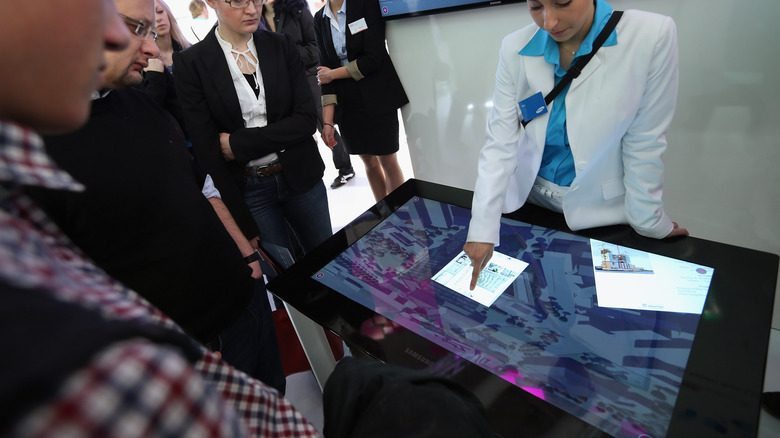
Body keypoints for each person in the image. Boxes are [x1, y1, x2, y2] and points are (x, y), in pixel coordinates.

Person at [0, 0, 320, 435]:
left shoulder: (138, 102)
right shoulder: (23, 157)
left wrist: (246, 257)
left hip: (240, 303)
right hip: (180, 342)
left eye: (151, 30)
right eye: (136, 29)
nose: (152, 48)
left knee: (269, 394)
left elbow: (200, 185)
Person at [464, 0, 689, 289]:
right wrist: (482, 228)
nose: (549, 22)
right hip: (528, 201)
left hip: (600, 213)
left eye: (562, 2)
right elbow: (500, 142)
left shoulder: (650, 35)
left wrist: (649, 221)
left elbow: (645, 139)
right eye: (535, 6)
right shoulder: (514, 46)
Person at [174, 0, 333, 266]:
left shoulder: (280, 45)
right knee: (285, 276)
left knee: (330, 261)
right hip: (249, 189)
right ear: (211, 2)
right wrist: (238, 220)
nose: (251, 9)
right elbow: (207, 150)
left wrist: (236, 143)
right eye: (237, 1)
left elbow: (305, 121)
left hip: (301, 174)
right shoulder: (192, 63)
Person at [314, 0, 408, 202]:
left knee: (388, 160)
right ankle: (384, 216)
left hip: (377, 94)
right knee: (369, 163)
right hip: (347, 104)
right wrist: (328, 123)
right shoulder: (319, 19)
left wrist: (333, 75)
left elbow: (374, 58)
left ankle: (403, 218)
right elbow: (324, 75)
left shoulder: (366, 4)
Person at [260, 0, 356, 189]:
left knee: (325, 123)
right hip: (282, 81)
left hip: (309, 75)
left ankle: (345, 168)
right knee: (296, 127)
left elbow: (314, 48)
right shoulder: (257, 17)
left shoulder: (297, 9)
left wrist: (285, 53)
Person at [141, 0, 191, 130]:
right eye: (152, 14)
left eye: (160, 11)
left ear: (168, 14)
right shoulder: (142, 64)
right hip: (173, 137)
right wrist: (155, 76)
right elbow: (148, 111)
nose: (158, 18)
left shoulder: (191, 52)